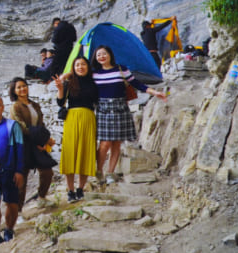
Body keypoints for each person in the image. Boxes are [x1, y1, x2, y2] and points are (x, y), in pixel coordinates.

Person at [92, 46, 168, 184]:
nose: (102, 56)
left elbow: (137, 84)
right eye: (98, 55)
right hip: (103, 109)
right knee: (104, 143)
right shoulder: (94, 74)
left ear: (110, 55)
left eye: (104, 53)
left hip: (120, 107)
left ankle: (110, 173)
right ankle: (99, 171)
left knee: (116, 143)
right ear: (96, 58)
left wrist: (154, 92)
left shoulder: (121, 70)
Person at [53, 57, 99, 202]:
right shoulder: (69, 82)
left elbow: (98, 101)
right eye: (77, 65)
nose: (80, 67)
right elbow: (61, 102)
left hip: (88, 118)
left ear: (88, 66)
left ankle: (80, 188)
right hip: (72, 118)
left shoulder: (94, 82)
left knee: (86, 152)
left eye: (83, 64)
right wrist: (60, 88)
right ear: (73, 67)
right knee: (70, 152)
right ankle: (70, 190)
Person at [0, 96, 24, 247]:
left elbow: (20, 148)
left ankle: (9, 230)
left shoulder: (12, 126)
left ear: (3, 107)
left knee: (12, 203)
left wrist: (19, 171)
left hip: (9, 171)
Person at [9, 77, 55, 209]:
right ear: (14, 91)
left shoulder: (35, 105)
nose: (22, 89)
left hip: (37, 143)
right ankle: (18, 211)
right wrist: (41, 138)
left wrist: (45, 140)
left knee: (47, 171)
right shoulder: (15, 107)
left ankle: (41, 197)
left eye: (24, 86)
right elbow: (21, 127)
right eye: (19, 87)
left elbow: (41, 124)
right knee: (22, 178)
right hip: (24, 145)